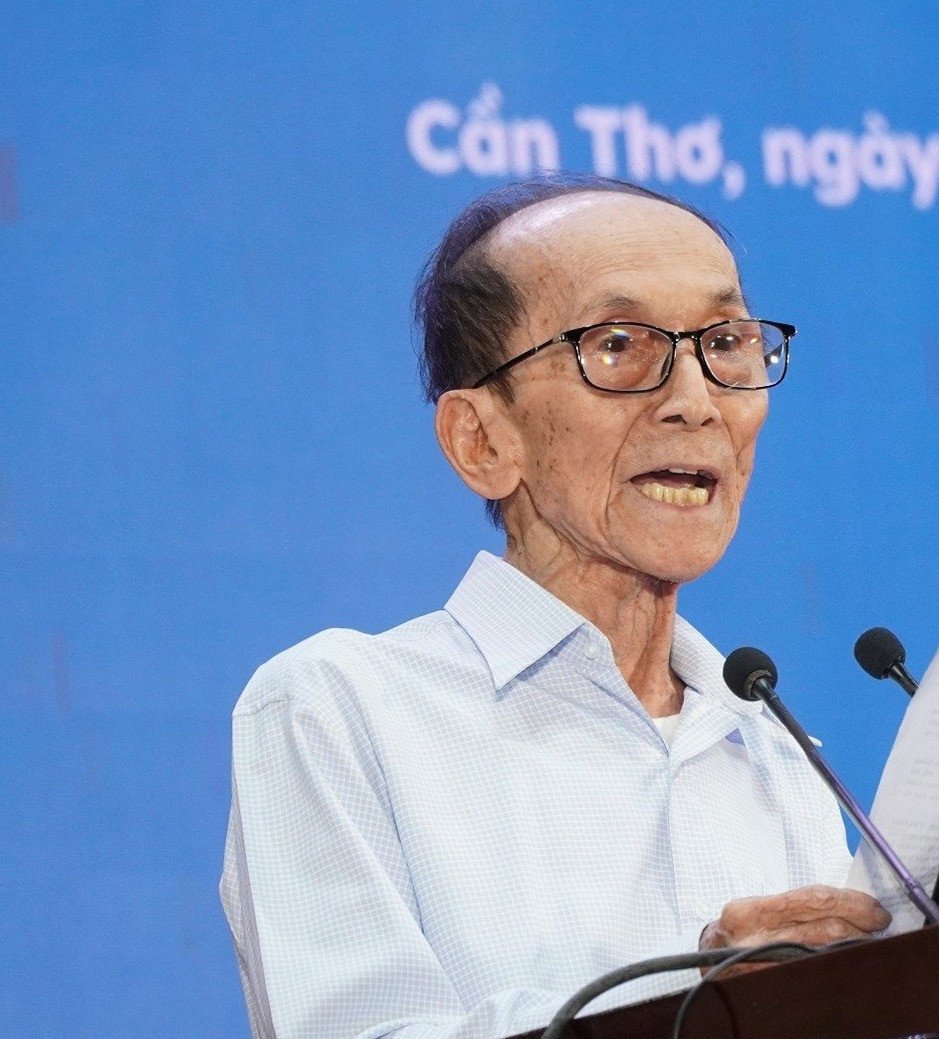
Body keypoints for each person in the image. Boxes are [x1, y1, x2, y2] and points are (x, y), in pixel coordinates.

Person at [219, 173, 890, 1039]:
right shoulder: (338, 710)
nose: (695, 401)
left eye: (725, 342)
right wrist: (702, 1005)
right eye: (619, 345)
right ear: (482, 440)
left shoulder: (768, 749)